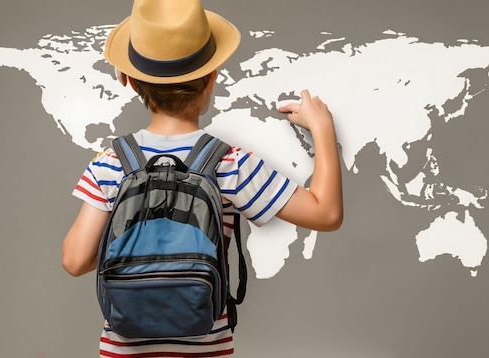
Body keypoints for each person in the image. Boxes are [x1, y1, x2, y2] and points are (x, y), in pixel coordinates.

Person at [62, 0, 343, 356]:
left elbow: (75, 261)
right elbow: (326, 213)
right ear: (212, 77)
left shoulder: (111, 163)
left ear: (130, 81)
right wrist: (322, 129)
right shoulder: (229, 163)